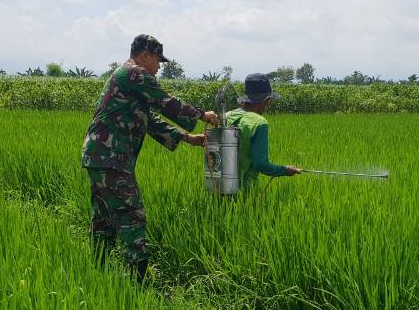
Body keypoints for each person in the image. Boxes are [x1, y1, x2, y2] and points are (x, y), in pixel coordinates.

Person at [81, 34, 219, 281]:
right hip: (112, 156)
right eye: (158, 60)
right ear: (145, 55)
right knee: (132, 216)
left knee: (103, 217)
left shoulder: (129, 81)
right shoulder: (134, 73)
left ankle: (97, 273)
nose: (159, 68)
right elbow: (164, 101)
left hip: (99, 156)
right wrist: (201, 114)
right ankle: (140, 283)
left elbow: (150, 121)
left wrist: (188, 138)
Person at [226, 73, 301, 191]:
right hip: (243, 190)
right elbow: (260, 164)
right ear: (266, 100)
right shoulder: (259, 123)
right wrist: (284, 170)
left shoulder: (227, 116)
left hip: (218, 186)